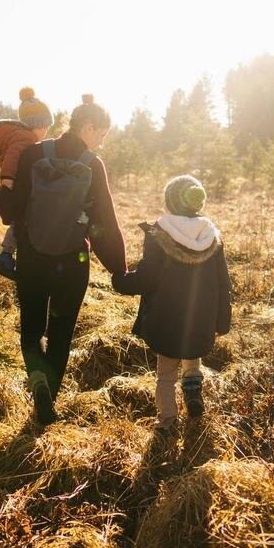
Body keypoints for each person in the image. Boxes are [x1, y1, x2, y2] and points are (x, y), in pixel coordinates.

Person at [0, 94, 126, 426]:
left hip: (32, 258)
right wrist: (118, 269)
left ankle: (37, 379)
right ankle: (48, 398)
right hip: (73, 261)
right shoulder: (93, 165)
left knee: (31, 328)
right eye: (101, 133)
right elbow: (103, 223)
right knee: (61, 333)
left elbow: (13, 208)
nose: (102, 140)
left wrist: (4, 201)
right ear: (87, 126)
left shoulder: (34, 153)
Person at [111, 174, 231, 431]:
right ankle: (193, 396)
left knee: (165, 375)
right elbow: (223, 283)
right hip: (201, 318)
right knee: (192, 358)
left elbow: (147, 276)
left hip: (166, 318)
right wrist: (222, 320)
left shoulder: (159, 232)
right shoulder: (211, 235)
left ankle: (167, 422)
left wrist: (122, 282)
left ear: (171, 202)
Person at [0, 87, 53, 280]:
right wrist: (7, 181)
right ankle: (5, 257)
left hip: (15, 185)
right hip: (14, 187)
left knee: (19, 221)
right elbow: (13, 158)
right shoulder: (25, 138)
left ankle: (6, 255)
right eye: (45, 126)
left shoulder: (23, 136)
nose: (46, 131)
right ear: (36, 125)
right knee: (20, 221)